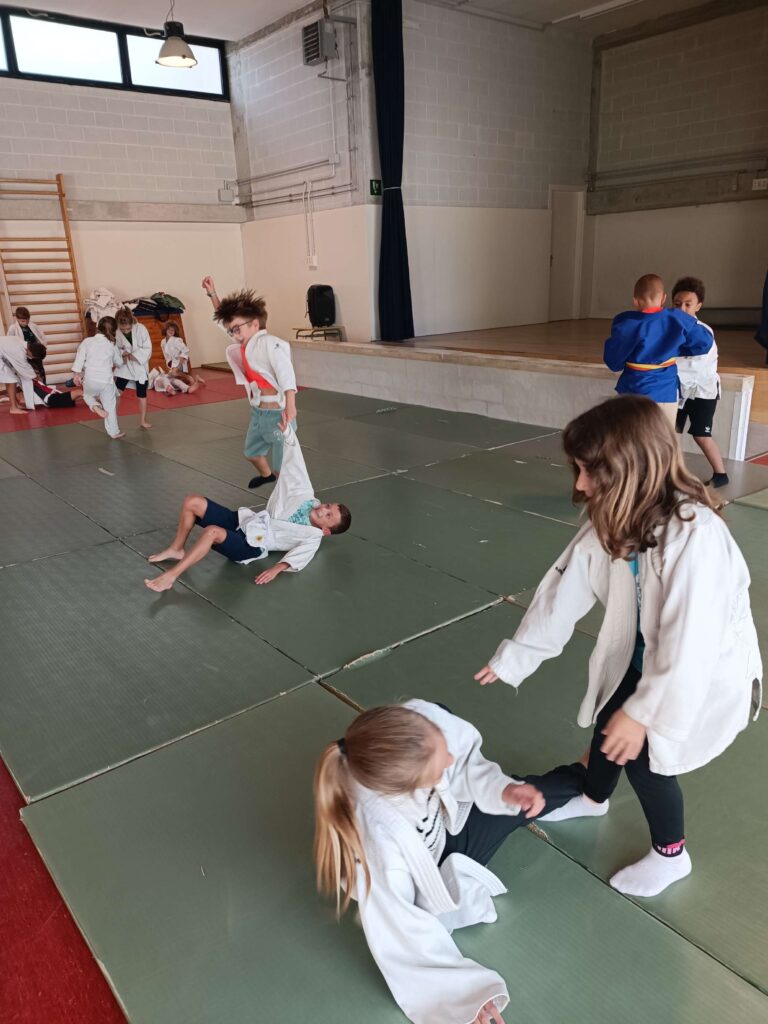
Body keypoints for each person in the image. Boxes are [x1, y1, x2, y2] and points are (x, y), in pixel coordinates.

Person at [475, 396, 762, 899]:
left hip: (698, 669)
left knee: (647, 758)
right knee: (610, 721)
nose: (581, 485)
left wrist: (645, 713)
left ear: (631, 469)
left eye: (591, 472)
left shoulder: (695, 537)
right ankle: (593, 797)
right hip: (644, 653)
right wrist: (519, 653)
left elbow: (691, 644)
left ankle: (671, 853)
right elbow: (564, 590)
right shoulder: (616, 517)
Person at [314, 699, 587, 1024]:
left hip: (444, 827)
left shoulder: (422, 721)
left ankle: (588, 778)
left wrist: (503, 790)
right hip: (422, 868)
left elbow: (464, 763)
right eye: (439, 770)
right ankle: (583, 781)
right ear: (410, 787)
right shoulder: (378, 844)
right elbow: (401, 931)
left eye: (441, 743)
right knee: (512, 808)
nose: (451, 759)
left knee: (521, 796)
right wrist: (462, 999)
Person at [144, 425, 350, 592]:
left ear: (326, 530)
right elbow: (297, 465)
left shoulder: (313, 537)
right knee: (193, 501)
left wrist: (277, 569)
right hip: (247, 521)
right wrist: (288, 433)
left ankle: (170, 577)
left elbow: (301, 555)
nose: (323, 509)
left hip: (251, 544)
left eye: (328, 515)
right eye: (328, 506)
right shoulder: (305, 495)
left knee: (212, 532)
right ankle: (177, 549)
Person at [202, 275, 297, 489]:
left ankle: (287, 494)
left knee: (284, 465)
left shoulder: (270, 343)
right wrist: (212, 294)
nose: (234, 335)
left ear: (255, 324)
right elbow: (224, 322)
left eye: (237, 329)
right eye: (232, 331)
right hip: (258, 412)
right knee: (251, 453)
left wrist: (290, 406)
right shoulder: (247, 343)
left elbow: (286, 372)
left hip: (278, 415)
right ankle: (266, 475)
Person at [603, 274, 713, 425]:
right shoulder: (678, 319)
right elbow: (704, 343)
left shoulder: (626, 323)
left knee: (629, 436)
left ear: (635, 301)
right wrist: (675, 349)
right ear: (663, 298)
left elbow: (613, 362)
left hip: (631, 392)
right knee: (662, 437)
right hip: (665, 393)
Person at [672, 276, 729, 489]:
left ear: (698, 306)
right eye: (677, 304)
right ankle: (671, 472)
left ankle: (721, 474)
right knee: (671, 433)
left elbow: (691, 361)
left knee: (701, 435)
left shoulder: (703, 331)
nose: (682, 308)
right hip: (678, 391)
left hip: (702, 392)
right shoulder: (670, 328)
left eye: (688, 304)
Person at [72, 316, 125, 439]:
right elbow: (119, 362)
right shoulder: (112, 344)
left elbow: (79, 359)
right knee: (110, 406)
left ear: (98, 327)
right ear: (114, 330)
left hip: (90, 379)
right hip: (106, 380)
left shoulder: (87, 341)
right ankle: (114, 432)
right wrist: (121, 356)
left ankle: (95, 406)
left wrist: (76, 374)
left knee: (87, 395)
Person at [115, 306, 153, 430]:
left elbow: (147, 348)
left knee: (142, 395)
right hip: (125, 367)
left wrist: (132, 356)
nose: (125, 331)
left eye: (128, 328)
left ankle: (143, 421)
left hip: (139, 366)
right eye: (123, 329)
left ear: (132, 323)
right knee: (116, 393)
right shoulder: (116, 332)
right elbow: (115, 348)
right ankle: (112, 419)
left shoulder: (141, 329)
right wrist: (122, 353)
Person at [8, 306, 47, 382]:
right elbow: (10, 342)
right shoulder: (13, 328)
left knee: (40, 371)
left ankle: (43, 386)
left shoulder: (33, 326)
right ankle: (32, 388)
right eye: (22, 321)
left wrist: (43, 347)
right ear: (17, 318)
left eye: (27, 320)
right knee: (29, 374)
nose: (25, 323)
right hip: (24, 355)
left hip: (35, 353)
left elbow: (42, 337)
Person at [0, 334, 35, 414]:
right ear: (31, 352)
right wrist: (34, 376)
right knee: (12, 380)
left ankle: (15, 404)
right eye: (32, 356)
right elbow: (24, 367)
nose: (31, 357)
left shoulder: (20, 341)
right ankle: (13, 408)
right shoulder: (19, 350)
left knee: (10, 378)